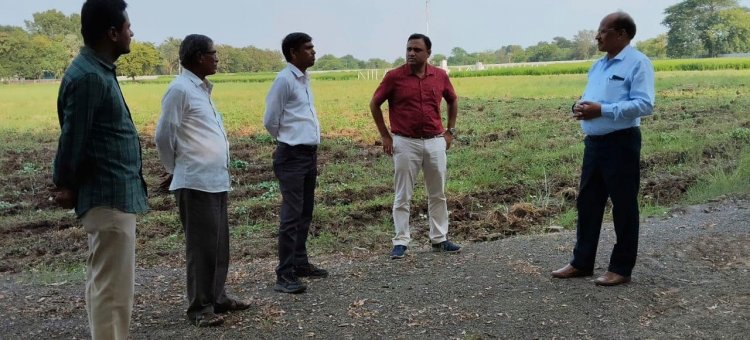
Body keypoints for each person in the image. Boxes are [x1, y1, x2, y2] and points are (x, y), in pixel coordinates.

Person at [52, 0, 147, 338]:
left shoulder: (95, 70)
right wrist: (63, 183)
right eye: (127, 26)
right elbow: (72, 138)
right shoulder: (90, 76)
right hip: (108, 197)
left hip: (112, 195)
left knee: (106, 286)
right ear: (111, 32)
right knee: (112, 293)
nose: (131, 32)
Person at [551, 11, 655, 286]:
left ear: (622, 34)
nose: (597, 36)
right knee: (588, 203)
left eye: (603, 31)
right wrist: (580, 106)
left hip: (621, 143)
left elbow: (645, 104)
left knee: (623, 206)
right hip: (594, 145)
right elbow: (591, 98)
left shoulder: (637, 63)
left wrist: (603, 110)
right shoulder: (599, 66)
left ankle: (620, 268)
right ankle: (581, 262)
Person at [155, 34, 250, 327]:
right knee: (201, 248)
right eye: (213, 53)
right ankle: (199, 308)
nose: (217, 57)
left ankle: (217, 297)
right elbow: (163, 135)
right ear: (198, 57)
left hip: (214, 179)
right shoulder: (180, 90)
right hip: (194, 181)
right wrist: (175, 167)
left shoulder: (201, 90)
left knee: (218, 245)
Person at [370, 33, 461, 260]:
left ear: (428, 53)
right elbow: (374, 104)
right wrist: (385, 136)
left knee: (437, 193)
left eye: (417, 50)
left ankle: (439, 238)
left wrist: (450, 131)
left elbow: (453, 99)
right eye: (409, 49)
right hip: (405, 142)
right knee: (402, 195)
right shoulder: (394, 77)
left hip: (434, 141)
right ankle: (401, 241)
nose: (411, 53)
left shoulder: (439, 76)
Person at [263, 32, 329, 294]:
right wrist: (287, 140)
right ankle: (284, 274)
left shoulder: (303, 79)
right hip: (292, 155)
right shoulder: (284, 80)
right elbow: (271, 119)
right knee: (291, 216)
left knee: (304, 212)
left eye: (313, 46)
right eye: (308, 48)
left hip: (307, 154)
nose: (314, 51)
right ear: (293, 53)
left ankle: (300, 263)